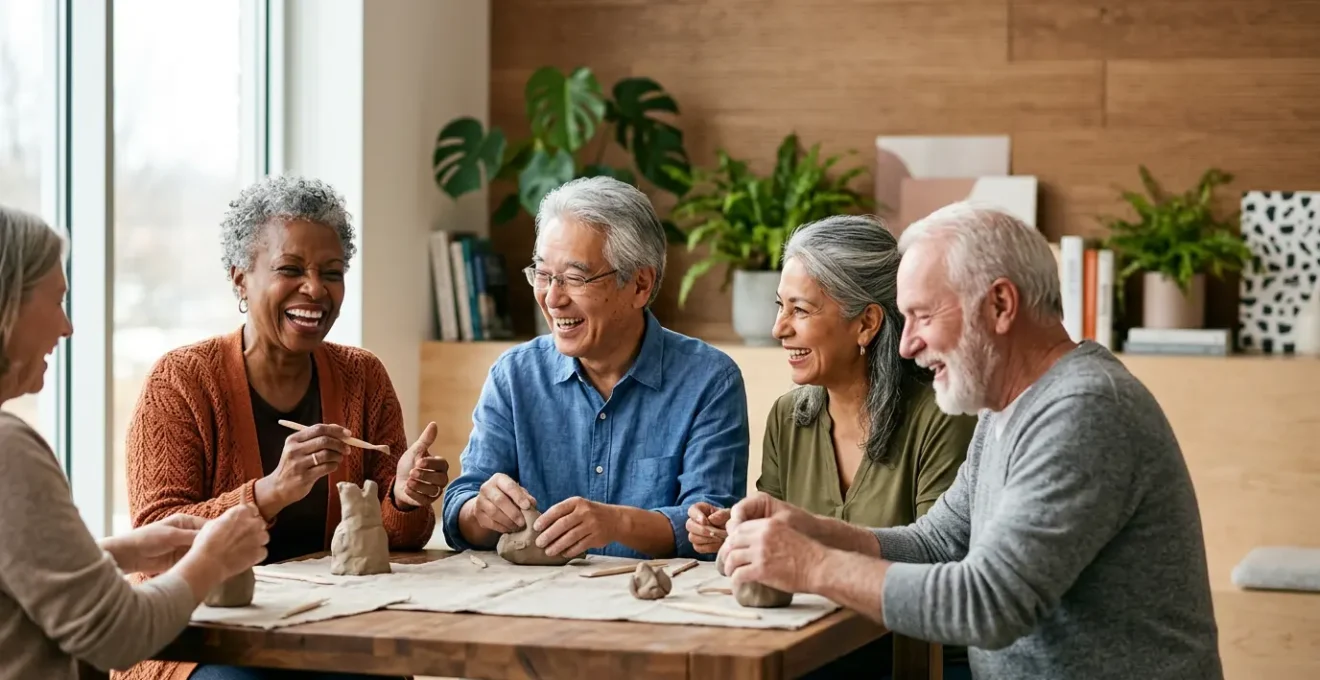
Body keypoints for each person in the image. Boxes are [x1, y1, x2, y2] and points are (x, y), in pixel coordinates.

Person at [716, 202, 1223, 680]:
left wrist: (810, 564)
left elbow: (988, 603)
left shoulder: (1085, 410)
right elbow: (937, 542)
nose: (907, 344)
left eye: (923, 316)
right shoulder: (1007, 408)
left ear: (1000, 305)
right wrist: (813, 530)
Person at [119, 176, 447, 680]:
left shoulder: (363, 376)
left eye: (332, 273)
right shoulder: (181, 380)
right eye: (290, 269)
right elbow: (156, 546)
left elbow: (399, 540)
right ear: (240, 279)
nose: (315, 289)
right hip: (205, 637)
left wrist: (404, 497)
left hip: (331, 628)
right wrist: (270, 492)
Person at [685, 214, 976, 678]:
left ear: (866, 324)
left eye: (800, 310)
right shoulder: (787, 418)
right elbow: (774, 554)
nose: (779, 328)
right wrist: (735, 537)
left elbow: (938, 564)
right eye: (780, 306)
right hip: (810, 654)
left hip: (915, 663)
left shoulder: (941, 417)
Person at [0, 205, 269, 680]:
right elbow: (117, 634)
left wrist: (124, 552)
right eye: (57, 301)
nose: (67, 327)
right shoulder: (9, 451)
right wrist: (212, 560)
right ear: (8, 306)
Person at [441, 175, 749, 560]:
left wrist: (617, 523)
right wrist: (480, 511)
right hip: (534, 595)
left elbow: (712, 529)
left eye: (575, 278)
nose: (552, 298)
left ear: (639, 284)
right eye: (543, 275)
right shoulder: (514, 376)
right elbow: (461, 508)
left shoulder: (710, 381)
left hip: (657, 595)